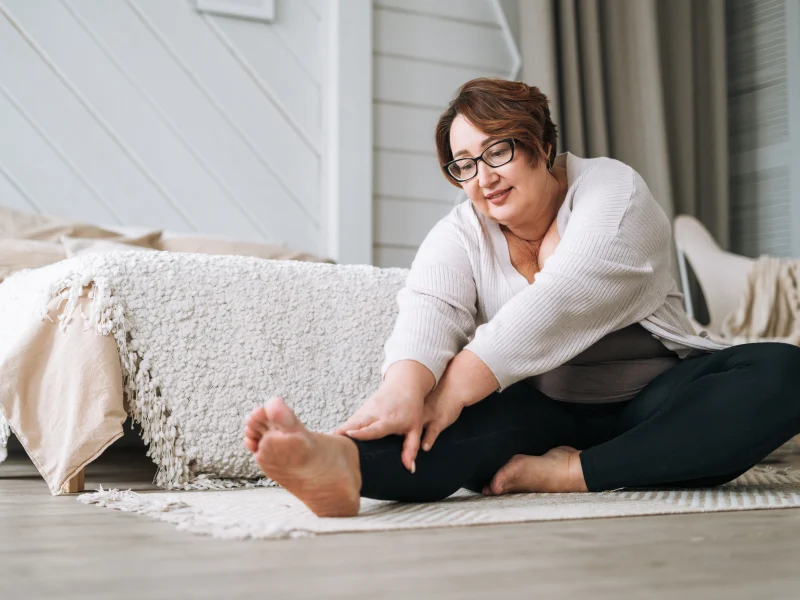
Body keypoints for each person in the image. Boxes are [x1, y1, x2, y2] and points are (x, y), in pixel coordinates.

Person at [243, 78, 800, 518]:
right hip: (544, 411)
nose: (481, 177)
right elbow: (428, 309)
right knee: (440, 422)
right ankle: (342, 467)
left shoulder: (614, 192)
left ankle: (575, 473)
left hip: (655, 402)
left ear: (545, 144)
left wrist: (453, 387)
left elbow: (562, 298)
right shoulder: (460, 232)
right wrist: (404, 388)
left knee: (782, 371)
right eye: (464, 164)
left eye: (498, 152)